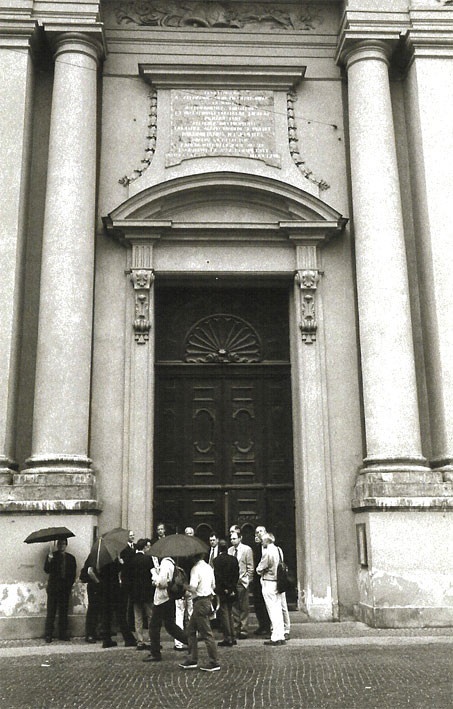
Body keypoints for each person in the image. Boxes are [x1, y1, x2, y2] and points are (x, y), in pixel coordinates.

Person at [179, 552, 220, 672]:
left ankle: (214, 661)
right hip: (207, 600)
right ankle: (192, 658)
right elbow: (213, 585)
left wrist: (183, 585)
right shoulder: (208, 567)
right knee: (191, 630)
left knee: (206, 633)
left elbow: (193, 587)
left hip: (200, 603)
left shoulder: (195, 569)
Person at [143, 555, 187, 662]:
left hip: (162, 599)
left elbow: (161, 583)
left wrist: (154, 576)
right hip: (169, 597)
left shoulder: (165, 563)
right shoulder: (171, 563)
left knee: (154, 626)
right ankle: (190, 641)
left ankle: (155, 652)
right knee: (170, 625)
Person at [44, 538, 76, 642]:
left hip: (64, 589)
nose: (61, 546)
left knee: (63, 612)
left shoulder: (71, 558)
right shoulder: (52, 556)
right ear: (57, 545)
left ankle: (62, 634)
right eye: (60, 544)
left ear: (66, 545)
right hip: (53, 588)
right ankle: (48, 634)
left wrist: (68, 586)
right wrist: (49, 560)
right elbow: (47, 570)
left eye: (63, 544)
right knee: (51, 612)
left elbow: (73, 574)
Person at [256, 532, 286, 646]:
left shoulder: (267, 552)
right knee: (278, 608)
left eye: (263, 540)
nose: (262, 542)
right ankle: (281, 634)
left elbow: (260, 568)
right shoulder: (278, 550)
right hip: (278, 582)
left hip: (269, 582)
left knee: (272, 610)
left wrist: (259, 570)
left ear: (267, 541)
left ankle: (275, 637)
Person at [99, 559, 137, 648]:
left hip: (104, 590)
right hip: (114, 591)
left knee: (107, 616)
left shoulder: (100, 561)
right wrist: (121, 563)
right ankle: (128, 639)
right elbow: (116, 570)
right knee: (121, 616)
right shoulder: (112, 561)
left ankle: (106, 640)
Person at [228, 529, 254, 639]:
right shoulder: (230, 550)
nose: (232, 541)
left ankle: (244, 629)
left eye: (234, 538)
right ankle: (236, 627)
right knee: (234, 607)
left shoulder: (247, 550)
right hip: (233, 582)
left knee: (244, 606)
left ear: (240, 538)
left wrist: (247, 580)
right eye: (231, 539)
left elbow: (250, 567)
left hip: (242, 581)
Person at [213, 539, 239, 647]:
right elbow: (236, 574)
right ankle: (233, 636)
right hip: (232, 590)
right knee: (230, 613)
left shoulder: (216, 560)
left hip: (222, 591)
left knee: (224, 614)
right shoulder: (234, 559)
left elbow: (218, 577)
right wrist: (231, 587)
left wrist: (225, 588)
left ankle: (228, 638)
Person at [130, 538, 154, 650]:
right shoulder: (148, 559)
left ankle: (140, 640)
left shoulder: (132, 559)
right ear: (144, 547)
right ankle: (150, 640)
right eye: (148, 546)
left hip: (135, 593)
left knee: (138, 617)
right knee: (150, 616)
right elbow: (151, 575)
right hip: (147, 592)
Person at [174, 526, 194, 651]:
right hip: (186, 587)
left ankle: (182, 641)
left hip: (185, 586)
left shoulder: (178, 552)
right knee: (185, 614)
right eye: (187, 533)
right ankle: (185, 640)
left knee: (185, 614)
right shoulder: (194, 553)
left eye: (190, 533)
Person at [252, 525, 271, 636]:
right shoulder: (256, 547)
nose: (259, 533)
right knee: (258, 603)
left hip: (266, 578)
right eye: (257, 532)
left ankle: (268, 627)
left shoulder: (268, 547)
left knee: (266, 603)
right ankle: (262, 625)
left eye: (261, 531)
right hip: (257, 579)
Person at [80, 556, 101, 643]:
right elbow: (90, 572)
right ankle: (90, 634)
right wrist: (98, 582)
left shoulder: (103, 557)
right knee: (93, 610)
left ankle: (95, 632)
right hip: (94, 586)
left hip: (100, 585)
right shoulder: (93, 557)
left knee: (98, 609)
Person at [119, 530, 136, 631]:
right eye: (130, 535)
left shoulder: (136, 547)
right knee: (125, 602)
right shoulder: (123, 548)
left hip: (134, 578)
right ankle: (125, 624)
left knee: (133, 602)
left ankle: (131, 623)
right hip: (126, 578)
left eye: (133, 535)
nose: (132, 537)